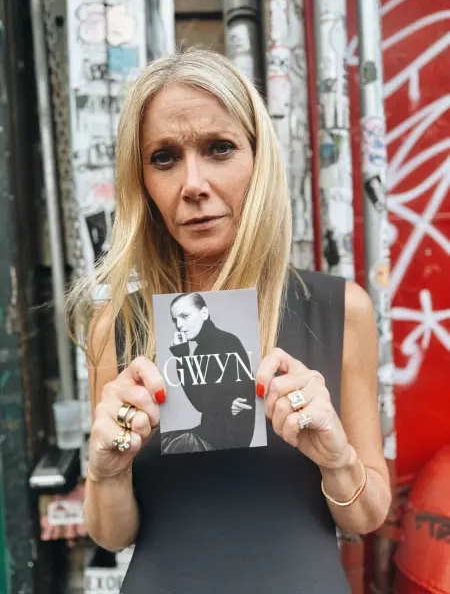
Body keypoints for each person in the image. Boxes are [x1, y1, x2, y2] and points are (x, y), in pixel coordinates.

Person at [67, 47, 391, 594]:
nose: (193, 184)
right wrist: (106, 469)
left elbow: (368, 516)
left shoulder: (339, 309)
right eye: (164, 158)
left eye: (219, 148)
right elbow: (112, 533)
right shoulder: (118, 328)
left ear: (259, 160)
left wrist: (337, 457)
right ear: (141, 181)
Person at [161, 292, 256, 453]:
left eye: (185, 316)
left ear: (204, 313)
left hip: (220, 444)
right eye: (175, 320)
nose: (179, 325)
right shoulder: (205, 347)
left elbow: (201, 402)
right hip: (210, 437)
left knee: (160, 445)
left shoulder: (225, 342)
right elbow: (204, 399)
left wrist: (182, 357)